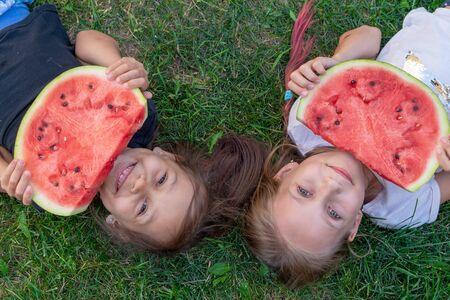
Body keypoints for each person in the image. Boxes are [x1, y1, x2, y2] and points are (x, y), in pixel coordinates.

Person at [0, 4, 267, 254]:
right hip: (15, 17)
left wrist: (5, 178)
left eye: (142, 208)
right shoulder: (138, 114)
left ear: (117, 223)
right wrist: (119, 65)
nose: (140, 184)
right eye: (161, 179)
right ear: (166, 156)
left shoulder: (46, 192)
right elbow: (85, 40)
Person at [245, 0, 450, 288]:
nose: (331, 185)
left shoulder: (305, 121)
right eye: (333, 213)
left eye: (304, 191)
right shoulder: (399, 208)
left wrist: (337, 62)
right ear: (354, 224)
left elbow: (371, 35)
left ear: (287, 173)